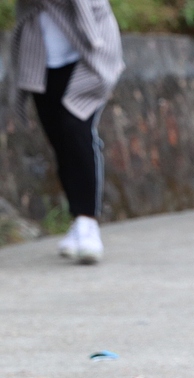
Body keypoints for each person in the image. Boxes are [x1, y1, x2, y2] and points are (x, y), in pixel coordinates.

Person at [11, 0, 124, 264]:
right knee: (60, 141)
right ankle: (78, 220)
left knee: (77, 127)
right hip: (41, 57)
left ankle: (88, 221)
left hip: (89, 52)